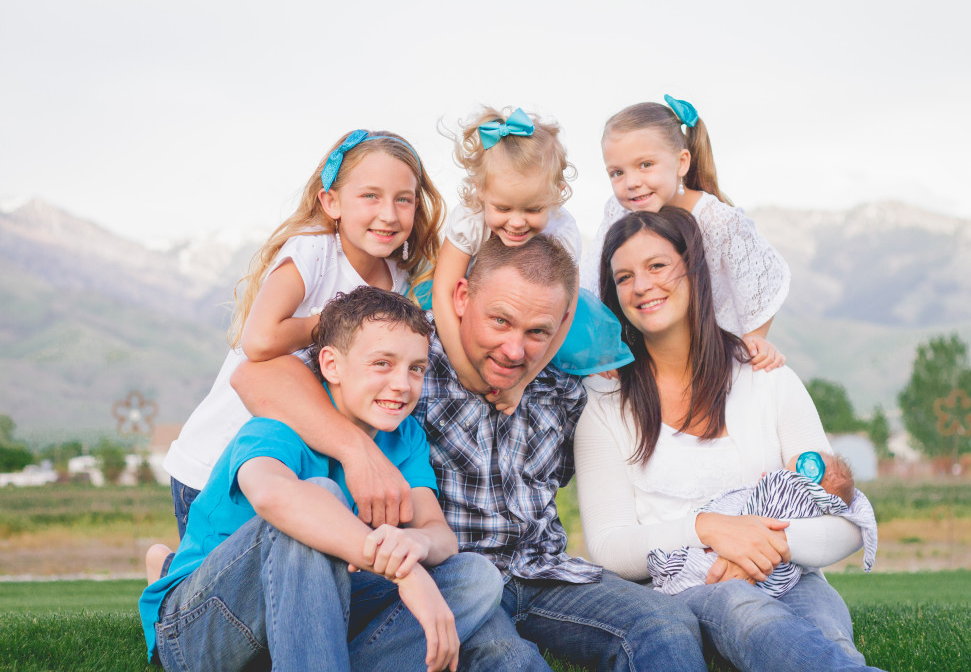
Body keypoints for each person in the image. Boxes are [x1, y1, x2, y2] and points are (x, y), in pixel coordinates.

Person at [233, 237, 713, 670]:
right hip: (451, 572)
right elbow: (254, 376)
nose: (512, 349)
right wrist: (358, 450)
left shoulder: (563, 387)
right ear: (462, 298)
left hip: (543, 570)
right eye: (499, 321)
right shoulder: (411, 362)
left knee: (665, 624)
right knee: (509, 660)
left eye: (537, 332)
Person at [574, 208, 880, 670]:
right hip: (689, 587)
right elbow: (610, 547)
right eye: (623, 277)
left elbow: (844, 517)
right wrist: (708, 529)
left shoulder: (767, 380)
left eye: (657, 266)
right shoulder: (603, 402)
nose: (641, 286)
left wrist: (760, 546)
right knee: (740, 607)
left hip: (791, 576)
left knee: (829, 641)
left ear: (695, 269)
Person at [139, 287, 502, 672]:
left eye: (416, 368)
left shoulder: (405, 436)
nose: (402, 384)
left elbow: (439, 533)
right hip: (205, 626)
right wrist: (402, 570)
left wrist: (413, 541)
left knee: (476, 577)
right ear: (331, 365)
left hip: (313, 620)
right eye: (382, 363)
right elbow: (271, 496)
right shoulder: (279, 423)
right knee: (316, 500)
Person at [159, 129, 444, 540]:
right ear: (331, 202)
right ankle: (167, 572)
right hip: (222, 453)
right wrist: (333, 320)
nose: (389, 214)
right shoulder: (313, 253)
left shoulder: (399, 278)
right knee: (220, 566)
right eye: (371, 196)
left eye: (404, 198)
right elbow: (258, 341)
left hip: (296, 453)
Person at [426, 106, 631, 414]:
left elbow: (566, 312)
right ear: (481, 191)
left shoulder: (561, 230)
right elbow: (443, 290)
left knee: (565, 355)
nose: (517, 222)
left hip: (540, 311)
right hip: (482, 304)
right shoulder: (469, 217)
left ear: (556, 194)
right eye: (504, 209)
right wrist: (463, 368)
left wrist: (523, 382)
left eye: (533, 210)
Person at [580, 95, 790, 372]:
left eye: (645, 165)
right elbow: (594, 281)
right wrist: (602, 347)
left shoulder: (717, 220)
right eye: (617, 173)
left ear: (681, 163)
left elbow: (760, 282)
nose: (631, 183)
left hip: (713, 351)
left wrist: (755, 338)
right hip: (649, 349)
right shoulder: (618, 213)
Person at [648, 451, 878, 598]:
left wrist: (763, 542)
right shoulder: (816, 499)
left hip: (746, 562)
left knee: (699, 566)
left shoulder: (787, 487)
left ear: (809, 470)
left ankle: (671, 570)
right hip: (769, 582)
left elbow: (758, 517)